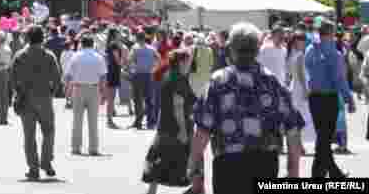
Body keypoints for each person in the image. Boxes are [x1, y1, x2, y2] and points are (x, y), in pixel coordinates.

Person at [189, 22, 303, 193]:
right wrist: (293, 173)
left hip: (228, 168)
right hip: (265, 165)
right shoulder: (272, 82)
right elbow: (292, 131)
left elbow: (201, 134)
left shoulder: (217, 82)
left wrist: (197, 178)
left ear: (231, 49)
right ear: (257, 50)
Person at [305, 19, 355, 178]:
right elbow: (339, 79)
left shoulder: (310, 49)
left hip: (314, 97)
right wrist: (349, 99)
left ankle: (328, 173)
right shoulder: (334, 54)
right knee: (324, 139)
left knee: (322, 138)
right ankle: (324, 174)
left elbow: (307, 70)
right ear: (330, 33)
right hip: (328, 98)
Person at [142, 50, 196, 194]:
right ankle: (196, 189)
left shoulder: (169, 75)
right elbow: (178, 106)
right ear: (181, 62)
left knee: (159, 159)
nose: (190, 64)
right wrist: (182, 130)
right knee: (189, 160)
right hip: (176, 127)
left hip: (165, 125)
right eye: (188, 61)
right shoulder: (178, 79)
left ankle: (151, 191)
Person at [12, 24, 60, 181]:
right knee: (49, 131)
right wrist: (51, 93)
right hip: (44, 97)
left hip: (25, 98)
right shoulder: (49, 55)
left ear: (28, 38)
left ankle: (33, 168)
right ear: (42, 38)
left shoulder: (20, 55)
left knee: (29, 135)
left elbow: (13, 78)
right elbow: (57, 78)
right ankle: (46, 162)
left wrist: (17, 94)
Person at [63, 35, 106, 156]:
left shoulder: (75, 56)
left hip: (78, 88)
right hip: (94, 89)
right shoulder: (99, 57)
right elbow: (103, 76)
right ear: (92, 44)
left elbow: (68, 75)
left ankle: (76, 147)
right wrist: (103, 93)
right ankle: (93, 148)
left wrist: (67, 90)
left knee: (77, 120)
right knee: (93, 121)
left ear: (82, 44)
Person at [129, 31, 160, 130]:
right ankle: (150, 122)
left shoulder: (135, 48)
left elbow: (130, 60)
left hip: (138, 75)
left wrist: (133, 67)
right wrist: (154, 68)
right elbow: (159, 59)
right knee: (149, 99)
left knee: (138, 99)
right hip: (149, 75)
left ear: (137, 38)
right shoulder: (152, 48)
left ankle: (138, 121)